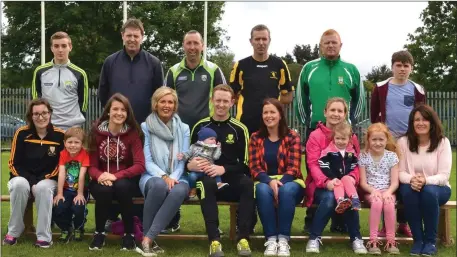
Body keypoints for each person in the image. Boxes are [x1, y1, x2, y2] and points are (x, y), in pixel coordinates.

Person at [294, 29, 365, 234]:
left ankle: (340, 220)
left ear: (341, 45)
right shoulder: (310, 68)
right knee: (316, 172)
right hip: (317, 128)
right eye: (326, 43)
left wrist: (349, 123)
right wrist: (308, 123)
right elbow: (300, 99)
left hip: (345, 131)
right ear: (320, 46)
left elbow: (359, 100)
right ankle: (311, 219)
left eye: (334, 42)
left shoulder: (351, 70)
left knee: (343, 171)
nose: (330, 46)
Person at [190, 84, 253, 257]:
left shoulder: (240, 129)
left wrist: (223, 168)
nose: (221, 104)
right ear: (212, 101)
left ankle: (243, 238)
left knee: (248, 184)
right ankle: (214, 240)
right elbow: (191, 155)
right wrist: (191, 165)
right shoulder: (200, 126)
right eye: (218, 100)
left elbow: (246, 164)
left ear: (232, 102)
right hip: (207, 178)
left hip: (232, 178)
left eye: (225, 101)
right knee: (205, 184)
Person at [304, 97, 367, 254]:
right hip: (321, 185)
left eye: (340, 111)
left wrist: (353, 178)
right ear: (325, 112)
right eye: (332, 110)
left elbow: (356, 162)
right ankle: (314, 238)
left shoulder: (351, 137)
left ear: (345, 114)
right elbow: (312, 164)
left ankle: (356, 239)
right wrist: (326, 182)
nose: (336, 114)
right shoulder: (315, 136)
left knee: (351, 196)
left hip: (346, 183)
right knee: (330, 197)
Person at [370, 50, 422, 237]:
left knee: (406, 180)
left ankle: (403, 223)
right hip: (388, 143)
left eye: (406, 66)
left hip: (410, 141)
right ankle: (386, 225)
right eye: (398, 65)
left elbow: (421, 116)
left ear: (411, 68)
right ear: (392, 66)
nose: (402, 69)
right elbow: (374, 115)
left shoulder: (417, 89)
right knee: (386, 182)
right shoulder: (381, 87)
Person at [3, 98, 65, 248]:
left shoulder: (60, 135)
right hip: (22, 177)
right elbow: (13, 163)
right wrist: (31, 181)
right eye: (36, 114)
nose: (41, 117)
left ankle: (44, 236)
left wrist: (41, 180)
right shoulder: (21, 133)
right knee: (19, 185)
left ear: (50, 114)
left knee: (43, 188)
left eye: (44, 113)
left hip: (48, 179)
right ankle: (14, 232)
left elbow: (61, 164)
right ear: (30, 116)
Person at [136, 87, 190, 256]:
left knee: (180, 189)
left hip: (178, 175)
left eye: (170, 102)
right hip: (152, 175)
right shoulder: (146, 127)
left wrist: (172, 177)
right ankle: (149, 238)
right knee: (159, 186)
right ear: (155, 104)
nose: (167, 105)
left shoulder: (184, 128)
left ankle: (147, 238)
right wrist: (164, 176)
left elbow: (183, 159)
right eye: (163, 101)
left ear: (175, 106)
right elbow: (147, 160)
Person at [88, 93, 145, 251]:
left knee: (122, 187)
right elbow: (91, 165)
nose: (119, 113)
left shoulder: (133, 134)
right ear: (108, 111)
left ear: (127, 114)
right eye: (115, 109)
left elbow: (140, 165)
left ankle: (129, 235)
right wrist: (100, 176)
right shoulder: (96, 132)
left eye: (123, 110)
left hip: (124, 179)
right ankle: (99, 233)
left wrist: (115, 176)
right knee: (104, 190)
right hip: (101, 179)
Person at [248, 98, 304, 257]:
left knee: (286, 191)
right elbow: (254, 167)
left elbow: (294, 168)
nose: (268, 116)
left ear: (280, 115)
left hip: (291, 180)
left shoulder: (292, 136)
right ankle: (271, 239)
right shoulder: (255, 137)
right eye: (265, 112)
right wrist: (270, 181)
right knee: (261, 190)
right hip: (265, 180)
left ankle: (284, 240)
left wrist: (279, 183)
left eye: (272, 112)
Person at [398, 104, 452, 256]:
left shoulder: (443, 142)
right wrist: (413, 179)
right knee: (409, 193)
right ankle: (418, 240)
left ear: (432, 122)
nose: (420, 123)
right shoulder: (403, 142)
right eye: (417, 120)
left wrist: (425, 180)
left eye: (425, 120)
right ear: (412, 123)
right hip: (411, 184)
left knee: (428, 192)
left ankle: (430, 241)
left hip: (439, 188)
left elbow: (444, 176)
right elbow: (400, 172)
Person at [230, 24, 294, 135]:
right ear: (251, 41)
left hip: (272, 125)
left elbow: (288, 96)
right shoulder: (241, 65)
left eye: (264, 39)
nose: (261, 43)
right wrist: (247, 103)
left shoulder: (279, 64)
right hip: (245, 124)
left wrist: (272, 104)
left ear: (269, 40)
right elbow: (232, 95)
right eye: (257, 39)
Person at [98, 18, 164, 125]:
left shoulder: (154, 63)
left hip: (145, 126)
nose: (132, 39)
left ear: (142, 37)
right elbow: (103, 93)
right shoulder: (110, 62)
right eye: (129, 35)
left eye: (136, 36)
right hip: (117, 125)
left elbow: (159, 96)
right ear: (122, 35)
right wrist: (115, 114)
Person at [165, 30, 226, 130]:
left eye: (196, 43)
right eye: (188, 43)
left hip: (208, 129)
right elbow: (164, 101)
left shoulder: (214, 70)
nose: (192, 47)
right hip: (179, 129)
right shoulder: (173, 71)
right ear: (183, 46)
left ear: (202, 46)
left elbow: (225, 100)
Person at [31, 31, 88, 130]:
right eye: (56, 46)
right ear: (52, 48)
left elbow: (83, 103)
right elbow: (36, 100)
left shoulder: (80, 73)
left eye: (64, 46)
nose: (60, 50)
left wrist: (79, 121)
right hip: (48, 126)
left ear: (70, 47)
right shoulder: (40, 71)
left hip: (72, 128)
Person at [358, 123, 400, 255]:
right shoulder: (363, 156)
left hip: (388, 191)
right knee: (376, 203)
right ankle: (373, 241)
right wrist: (373, 191)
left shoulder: (392, 157)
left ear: (386, 140)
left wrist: (388, 192)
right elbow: (363, 182)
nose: (377, 143)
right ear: (368, 140)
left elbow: (395, 182)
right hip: (371, 191)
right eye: (374, 139)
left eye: (381, 139)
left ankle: (391, 241)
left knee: (388, 204)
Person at [53, 127, 90, 243]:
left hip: (81, 190)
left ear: (82, 144)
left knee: (78, 207)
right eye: (70, 142)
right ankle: (66, 228)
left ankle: (79, 228)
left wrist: (79, 194)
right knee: (58, 207)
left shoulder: (85, 155)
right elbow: (61, 173)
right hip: (65, 190)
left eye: (76, 142)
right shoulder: (63, 154)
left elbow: (82, 175)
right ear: (64, 143)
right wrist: (59, 194)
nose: (73, 145)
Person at [318, 122, 361, 213]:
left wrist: (351, 174)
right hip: (334, 177)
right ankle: (341, 201)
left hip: (348, 178)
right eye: (337, 138)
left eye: (343, 139)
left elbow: (355, 163)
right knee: (337, 183)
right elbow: (323, 164)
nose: (340, 141)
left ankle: (355, 200)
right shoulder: (329, 151)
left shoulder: (351, 152)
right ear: (333, 138)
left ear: (349, 139)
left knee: (346, 179)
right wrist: (332, 177)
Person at [178, 127, 226, 198]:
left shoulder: (213, 148)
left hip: (208, 168)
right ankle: (192, 188)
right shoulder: (194, 146)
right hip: (197, 169)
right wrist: (183, 156)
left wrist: (218, 148)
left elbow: (216, 157)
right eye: (211, 139)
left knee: (216, 173)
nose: (214, 141)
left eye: (215, 139)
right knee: (192, 176)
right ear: (203, 139)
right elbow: (188, 154)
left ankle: (218, 183)